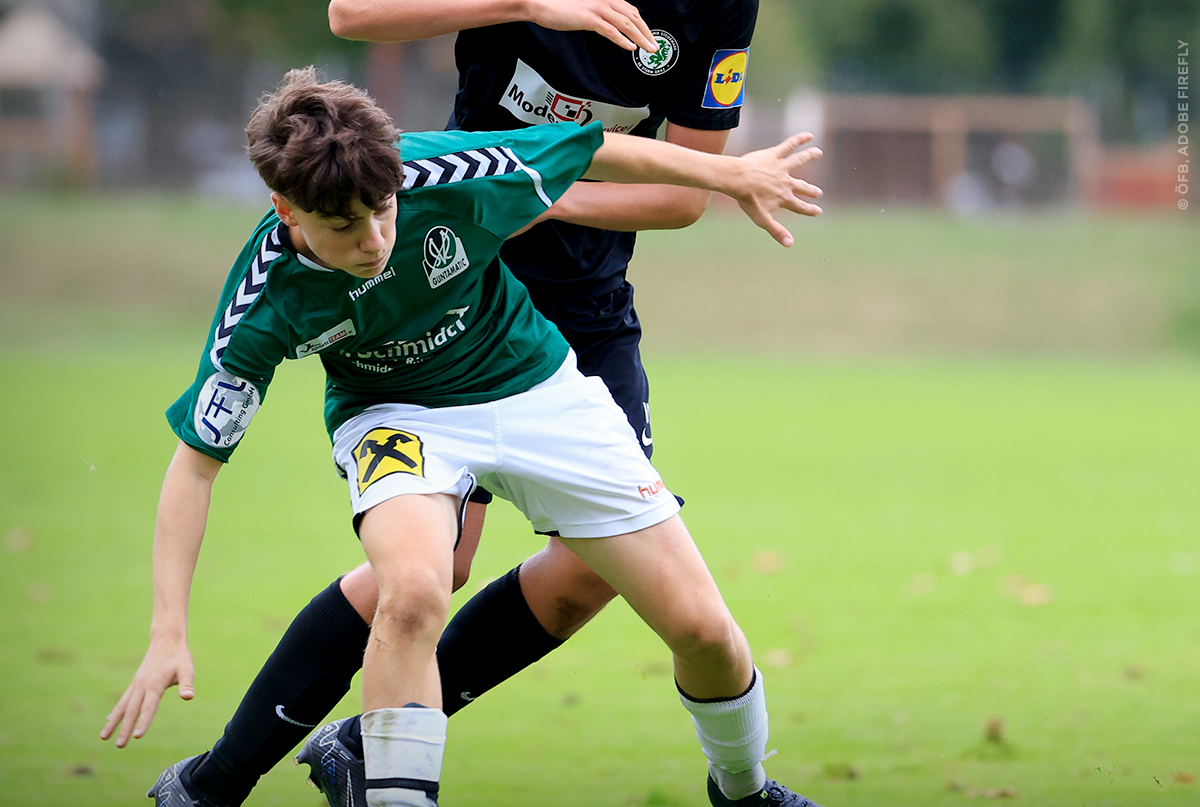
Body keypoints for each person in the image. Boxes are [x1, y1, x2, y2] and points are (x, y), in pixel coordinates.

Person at [105, 69, 825, 807]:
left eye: (383, 211)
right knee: (416, 587)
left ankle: (745, 793)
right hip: (395, 415)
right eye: (343, 227)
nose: (374, 240)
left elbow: (591, 147)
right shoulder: (264, 295)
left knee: (703, 631)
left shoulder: (447, 170)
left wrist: (733, 174)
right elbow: (195, 468)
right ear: (285, 208)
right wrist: (168, 631)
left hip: (536, 387)